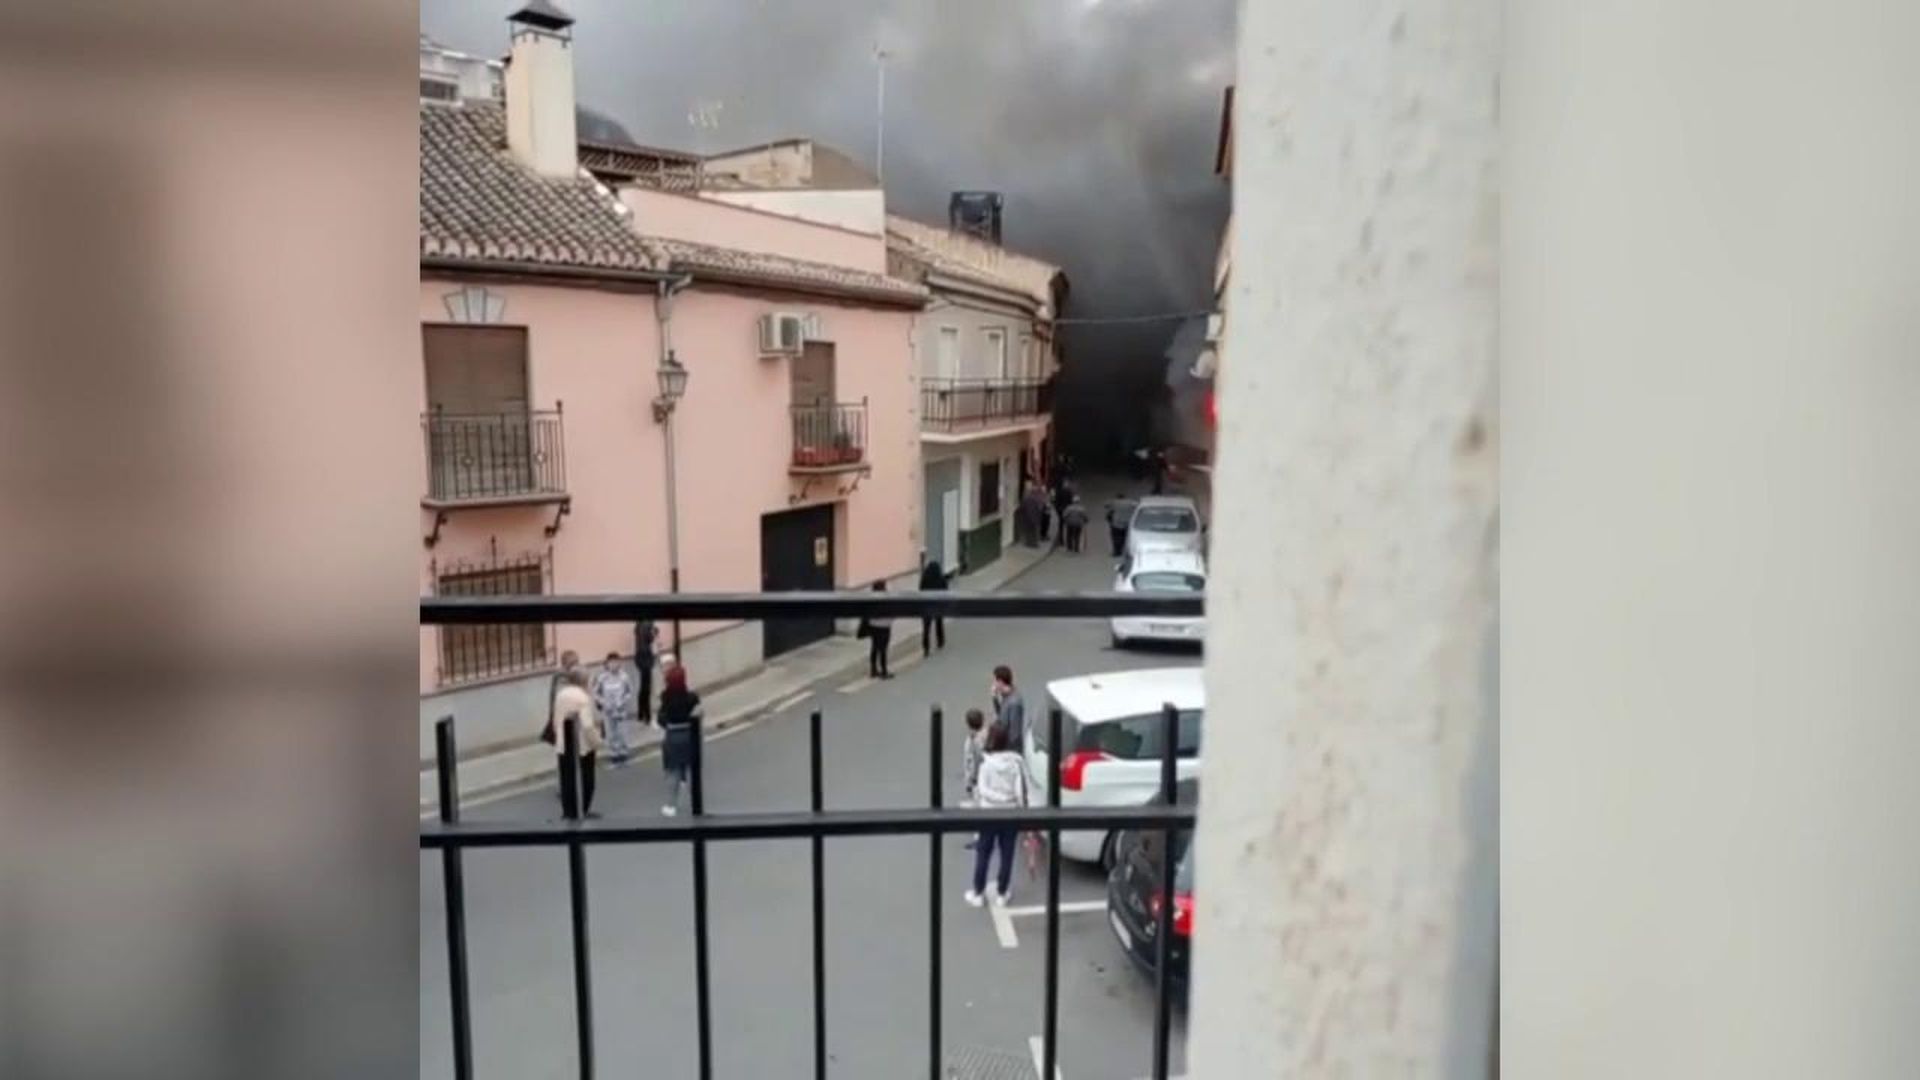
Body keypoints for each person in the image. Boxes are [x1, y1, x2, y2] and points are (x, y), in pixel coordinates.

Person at [966, 725, 1030, 906]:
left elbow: (983, 790)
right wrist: (1015, 804)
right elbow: (1020, 792)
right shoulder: (1015, 764)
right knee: (1007, 854)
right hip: (1010, 814)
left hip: (989, 813)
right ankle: (1002, 893)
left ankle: (978, 893)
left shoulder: (986, 765)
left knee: (983, 853)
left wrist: (997, 798)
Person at [548, 667, 603, 818]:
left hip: (563, 741)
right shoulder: (583, 698)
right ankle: (583, 809)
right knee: (587, 778)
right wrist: (597, 742)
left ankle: (568, 811)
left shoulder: (561, 694)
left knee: (567, 777)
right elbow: (587, 725)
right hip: (582, 744)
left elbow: (555, 718)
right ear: (584, 681)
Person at [656, 662, 703, 816]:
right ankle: (695, 803)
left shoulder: (665, 697)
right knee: (690, 770)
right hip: (689, 735)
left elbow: (660, 719)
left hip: (672, 736)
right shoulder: (692, 697)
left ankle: (671, 805)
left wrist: (667, 724)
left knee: (673, 771)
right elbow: (699, 713)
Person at [590, 652, 637, 765]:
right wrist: (603, 702)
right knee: (610, 733)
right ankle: (614, 753)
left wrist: (623, 701)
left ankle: (623, 752)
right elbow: (595, 693)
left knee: (622, 732)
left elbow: (630, 692)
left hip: (621, 710)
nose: (613, 665)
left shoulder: (624, 677)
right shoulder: (602, 678)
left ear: (619, 663)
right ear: (607, 664)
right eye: (611, 662)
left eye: (616, 662)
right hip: (608, 711)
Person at [919, 557, 957, 656]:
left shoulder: (925, 578)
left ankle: (926, 647)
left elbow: (921, 590)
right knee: (939, 623)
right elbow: (945, 592)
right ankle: (940, 641)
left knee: (926, 628)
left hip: (926, 606)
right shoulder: (941, 578)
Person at [859, 581, 893, 679]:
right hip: (884, 626)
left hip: (873, 626)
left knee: (874, 647)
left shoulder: (871, 599)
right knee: (883, 649)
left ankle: (873, 669)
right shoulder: (886, 599)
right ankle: (884, 671)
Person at [990, 664, 1026, 746]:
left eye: (994, 681)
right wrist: (994, 698)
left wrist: (1004, 748)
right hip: (1004, 740)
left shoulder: (1014, 703)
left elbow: (1015, 732)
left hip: (1010, 747)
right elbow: (1001, 714)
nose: (993, 684)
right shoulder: (1005, 695)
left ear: (1000, 682)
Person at [632, 620, 659, 723]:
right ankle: (647, 715)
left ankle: (641, 713)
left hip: (641, 658)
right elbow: (649, 639)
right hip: (645, 659)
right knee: (646, 688)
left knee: (643, 687)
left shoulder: (639, 624)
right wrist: (654, 633)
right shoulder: (646, 624)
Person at [961, 707, 988, 806]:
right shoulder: (988, 734)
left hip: (977, 780)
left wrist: (969, 783)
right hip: (989, 775)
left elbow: (971, 762)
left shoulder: (972, 741)